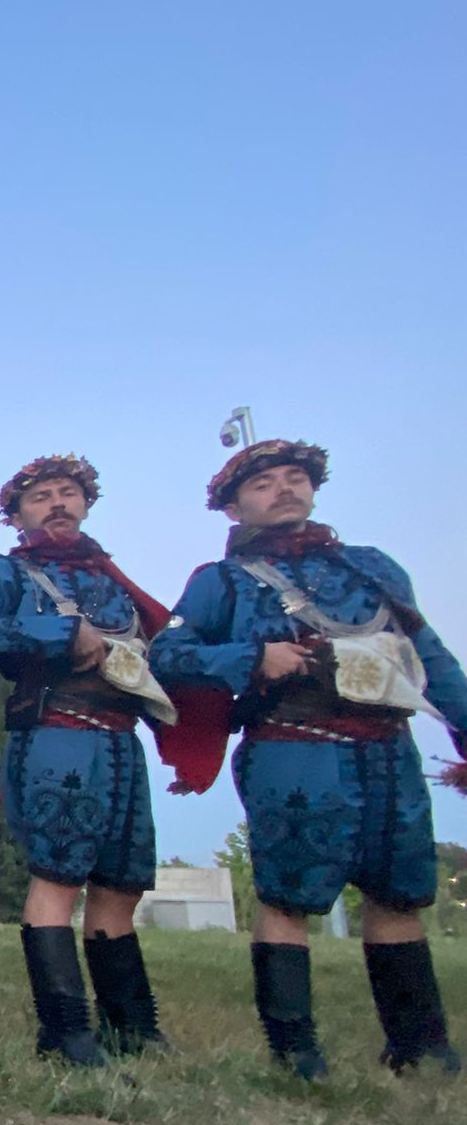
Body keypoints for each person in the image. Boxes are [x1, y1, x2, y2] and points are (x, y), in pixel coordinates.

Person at [151, 439, 465, 1079]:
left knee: (399, 893)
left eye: (295, 477)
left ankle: (419, 1047)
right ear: (234, 506)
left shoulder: (372, 568)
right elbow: (169, 656)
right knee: (288, 896)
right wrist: (252, 657)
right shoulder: (222, 582)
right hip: (292, 746)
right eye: (264, 483)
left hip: (388, 747)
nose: (284, 489)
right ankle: (295, 1051)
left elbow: (429, 657)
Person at [0, 455, 176, 1065]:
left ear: (85, 504)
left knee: (120, 885)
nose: (57, 502)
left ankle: (133, 1028)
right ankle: (65, 1031)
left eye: (68, 492)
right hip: (55, 730)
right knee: (58, 877)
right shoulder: (7, 572)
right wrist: (63, 634)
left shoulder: (112, 578)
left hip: (120, 738)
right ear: (17, 514)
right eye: (41, 495)